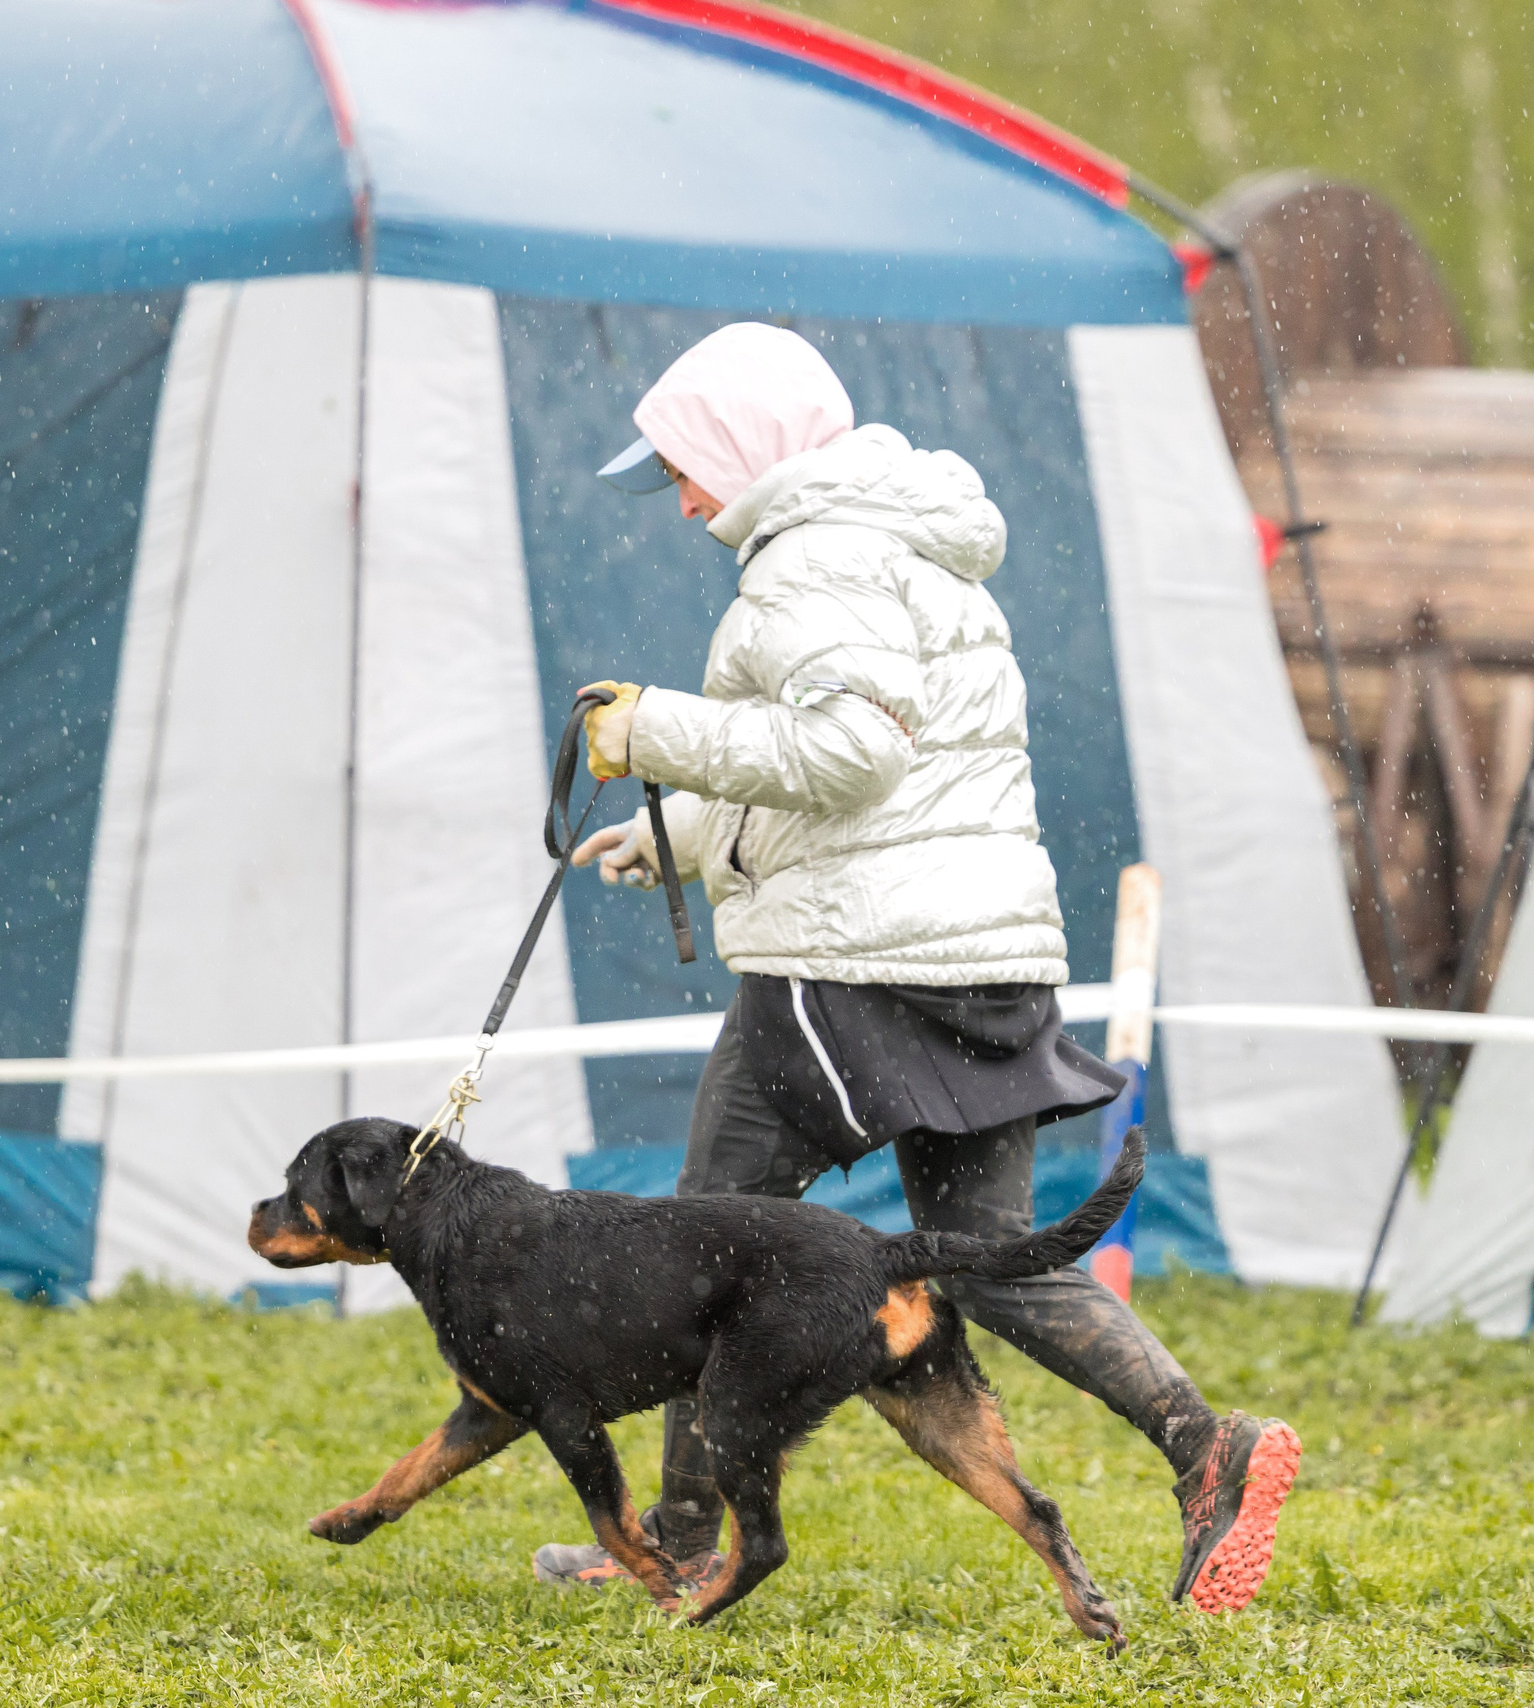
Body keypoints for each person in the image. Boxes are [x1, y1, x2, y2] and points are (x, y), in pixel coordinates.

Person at [526, 323, 1298, 1615]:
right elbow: (878, 781)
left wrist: (651, 728)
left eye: (683, 465)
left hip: (846, 972)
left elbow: (850, 756)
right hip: (977, 953)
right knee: (997, 1255)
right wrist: (680, 839)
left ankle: (668, 1538)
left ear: (740, 448)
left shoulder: (807, 562)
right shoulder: (913, 547)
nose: (679, 497)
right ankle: (1201, 1446)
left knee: (698, 1246)